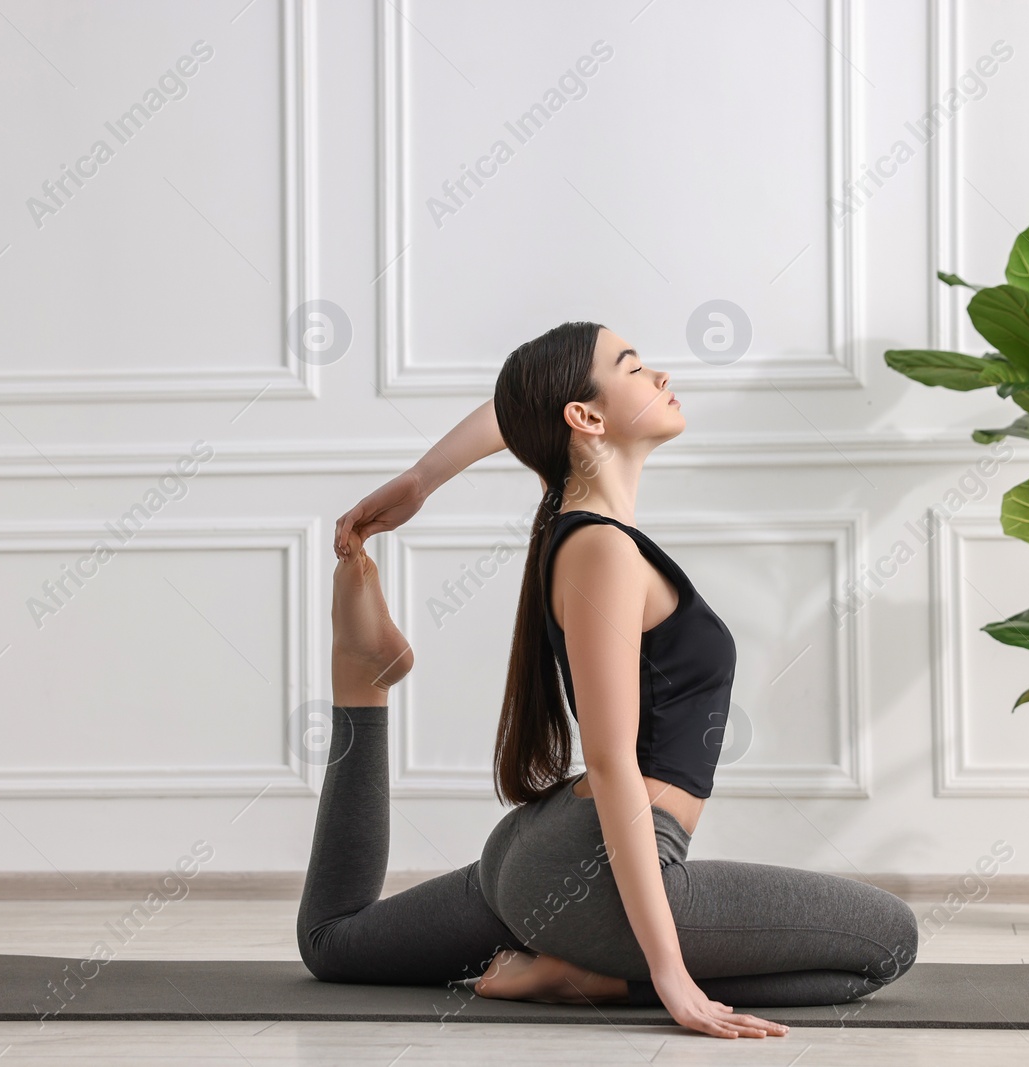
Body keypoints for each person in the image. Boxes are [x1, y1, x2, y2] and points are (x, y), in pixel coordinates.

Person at [297, 321, 918, 1039]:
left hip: (534, 856)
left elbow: (520, 411)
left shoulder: (569, 512)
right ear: (587, 418)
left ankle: (360, 679)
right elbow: (612, 760)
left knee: (334, 942)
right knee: (889, 942)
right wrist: (665, 975)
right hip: (593, 881)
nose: (658, 376)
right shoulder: (601, 549)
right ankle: (584, 975)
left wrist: (421, 480)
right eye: (633, 366)